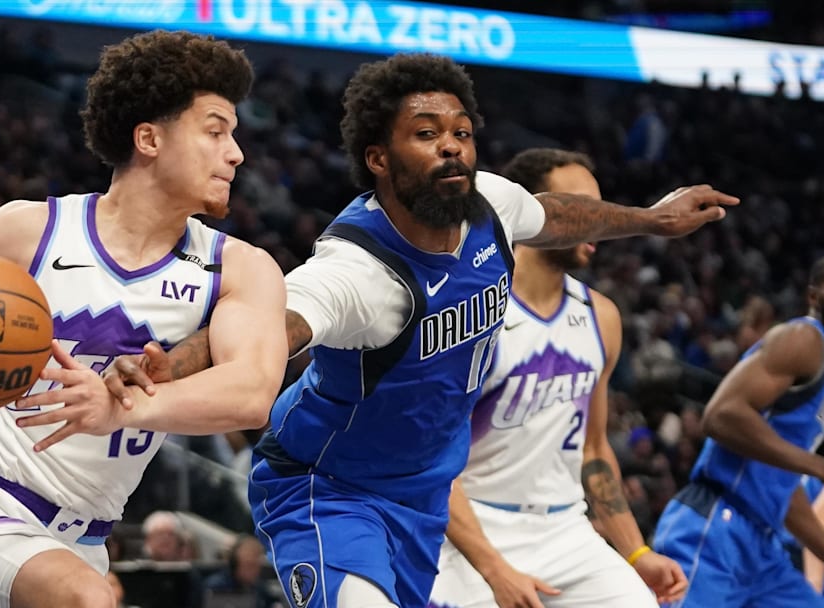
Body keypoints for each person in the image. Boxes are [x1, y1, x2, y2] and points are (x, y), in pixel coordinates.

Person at [106, 53, 736, 607]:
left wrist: (652, 220)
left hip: (423, 498)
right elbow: (265, 326)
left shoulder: (490, 203)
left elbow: (554, 216)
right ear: (378, 158)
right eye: (427, 134)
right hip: (330, 489)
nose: (452, 146)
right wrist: (167, 365)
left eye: (461, 132)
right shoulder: (359, 271)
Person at [0, 30, 287, 608]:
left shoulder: (239, 268)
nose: (236, 152)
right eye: (215, 131)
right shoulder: (28, 228)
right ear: (149, 138)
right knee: (86, 599)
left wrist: (122, 406)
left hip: (82, 540)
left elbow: (251, 393)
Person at [426, 148, 686, 608]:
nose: (599, 220)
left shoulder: (600, 315)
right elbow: (429, 459)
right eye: (581, 206)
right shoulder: (468, 311)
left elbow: (594, 447)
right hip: (474, 533)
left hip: (567, 530)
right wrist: (494, 567)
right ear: (535, 212)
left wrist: (636, 551)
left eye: (601, 208)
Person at [652, 260, 824, 607]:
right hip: (715, 523)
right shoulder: (805, 338)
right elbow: (720, 416)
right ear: (814, 294)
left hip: (762, 545)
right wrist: (816, 466)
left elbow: (781, 486)